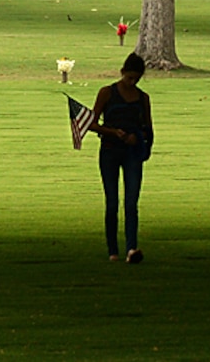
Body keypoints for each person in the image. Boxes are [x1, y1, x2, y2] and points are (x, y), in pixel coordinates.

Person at [89, 52, 153, 263]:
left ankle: (131, 249)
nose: (132, 82)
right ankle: (112, 251)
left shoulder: (143, 98)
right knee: (112, 202)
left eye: (136, 79)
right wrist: (112, 132)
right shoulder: (107, 93)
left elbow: (148, 129)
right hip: (109, 151)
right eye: (129, 78)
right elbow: (91, 123)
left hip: (132, 153)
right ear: (122, 73)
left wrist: (139, 137)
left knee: (131, 203)